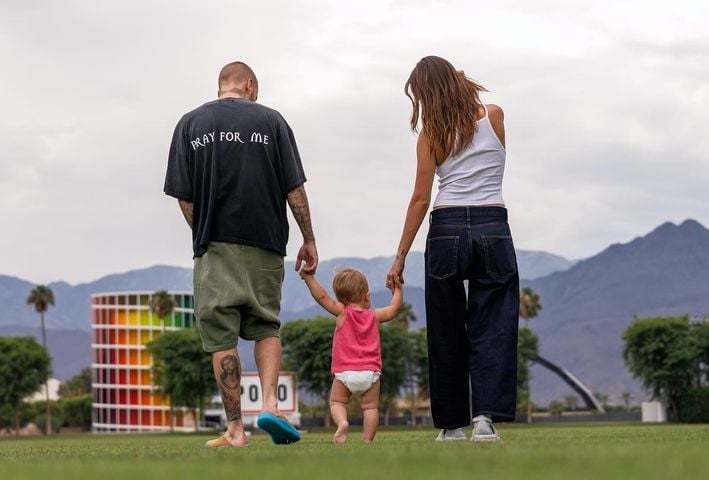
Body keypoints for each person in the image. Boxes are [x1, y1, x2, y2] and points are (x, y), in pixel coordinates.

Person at [164, 61, 318, 448]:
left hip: (214, 246)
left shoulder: (189, 124)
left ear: (222, 86)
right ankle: (270, 406)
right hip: (267, 242)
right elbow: (294, 189)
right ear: (249, 85)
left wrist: (204, 231)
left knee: (221, 338)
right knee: (266, 326)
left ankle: (235, 429)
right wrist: (309, 238)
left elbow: (183, 197)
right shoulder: (273, 121)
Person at [386, 56, 519, 442]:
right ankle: (485, 421)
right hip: (493, 226)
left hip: (446, 229)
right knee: (493, 326)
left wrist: (400, 257)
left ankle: (451, 426)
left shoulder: (431, 135)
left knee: (445, 328)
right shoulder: (494, 115)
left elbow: (420, 199)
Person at [300, 267, 403, 443]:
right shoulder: (374, 315)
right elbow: (394, 309)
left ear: (340, 298)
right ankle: (367, 441)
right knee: (370, 408)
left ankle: (342, 423)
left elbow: (322, 297)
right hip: (370, 373)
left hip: (345, 373)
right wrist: (398, 289)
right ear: (366, 296)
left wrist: (308, 277)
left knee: (337, 403)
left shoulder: (342, 312)